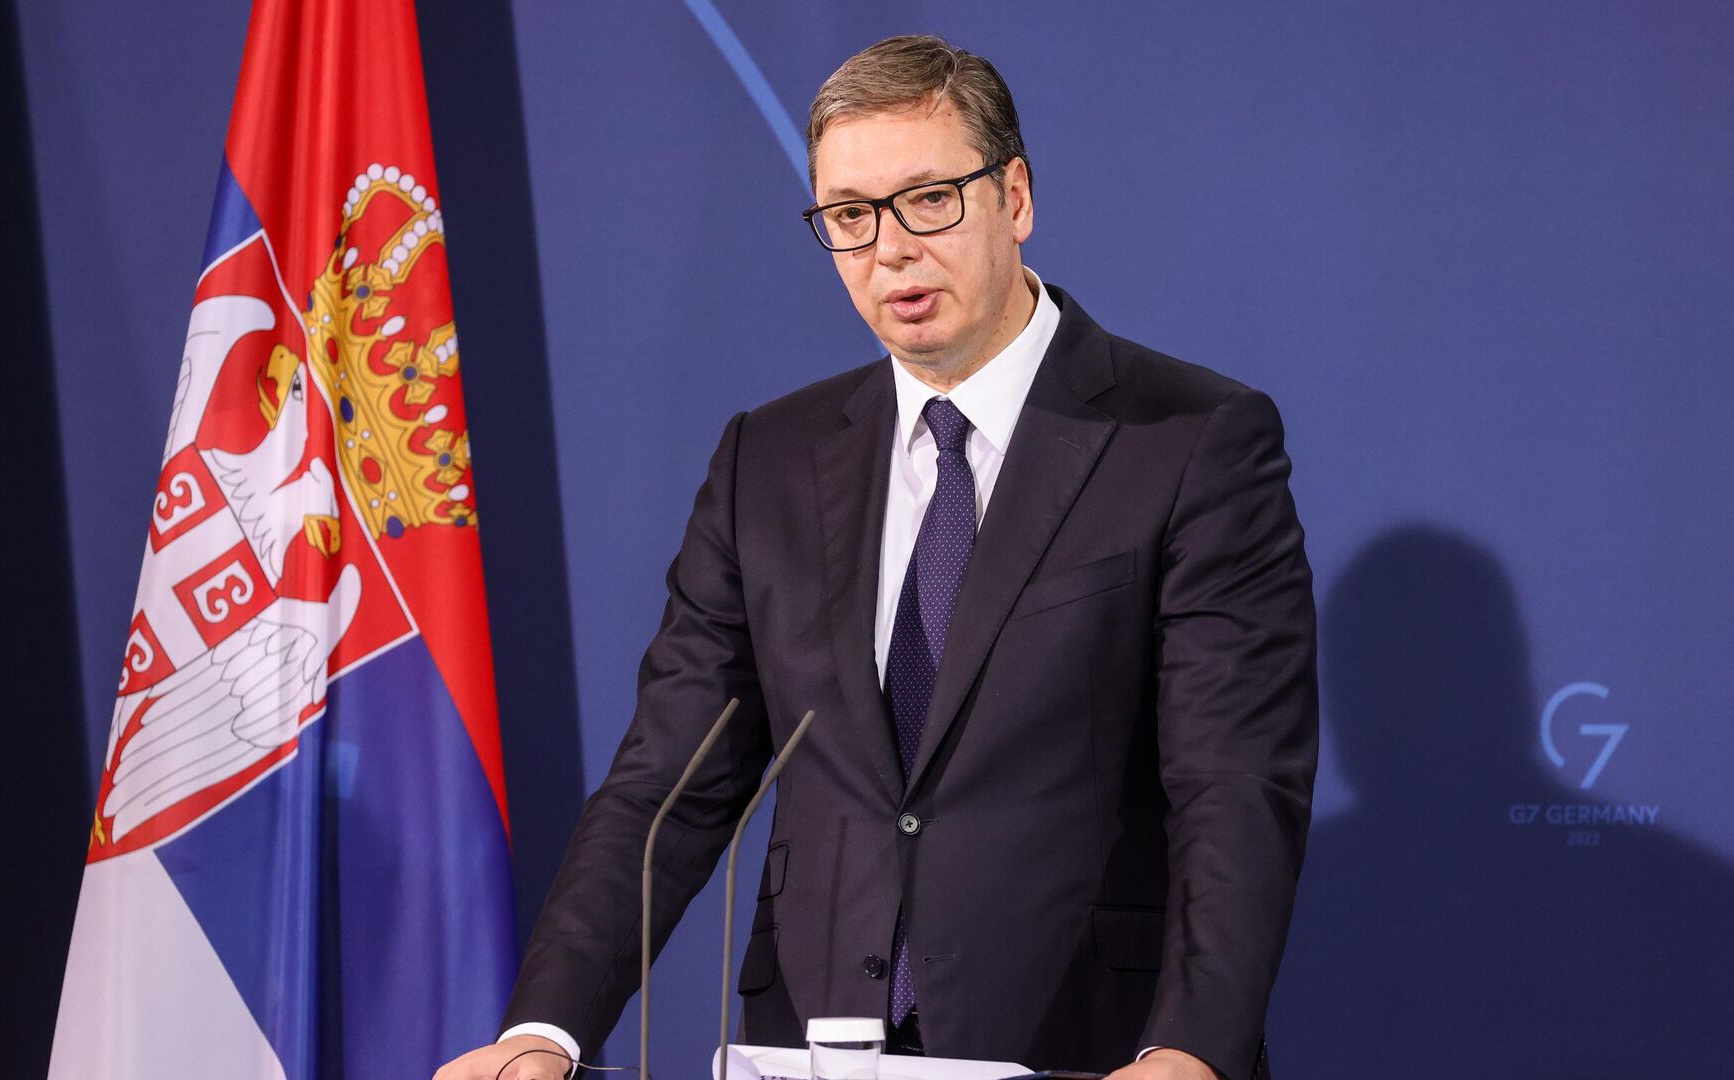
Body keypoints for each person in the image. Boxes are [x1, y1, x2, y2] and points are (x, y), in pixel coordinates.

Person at [435, 34, 1315, 1080]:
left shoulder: (1187, 439)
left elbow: (1233, 784)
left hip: (1086, 1045)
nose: (890, 249)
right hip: (811, 1046)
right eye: (850, 215)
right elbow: (666, 783)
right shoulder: (767, 458)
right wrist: (543, 1033)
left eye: (928, 200)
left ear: (1015, 197)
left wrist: (1191, 1050)